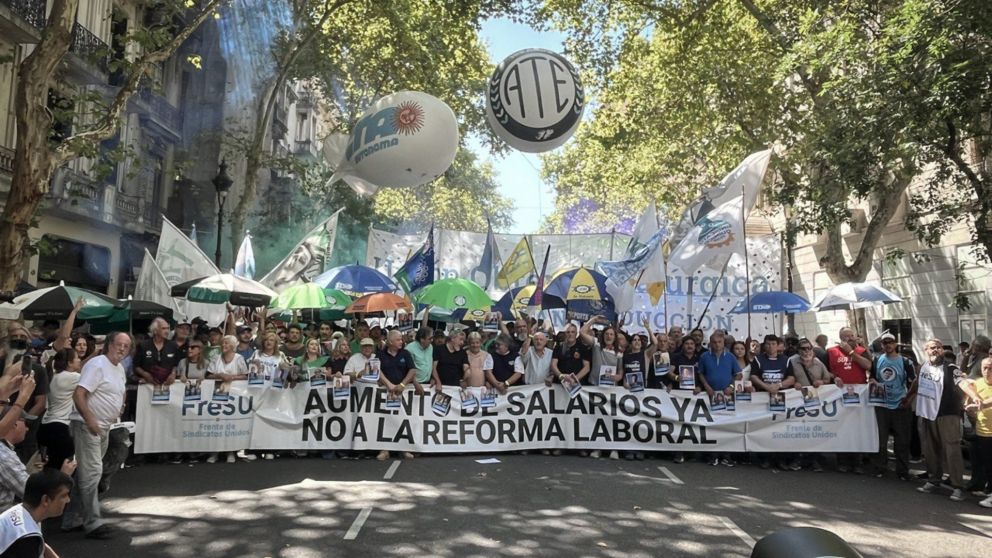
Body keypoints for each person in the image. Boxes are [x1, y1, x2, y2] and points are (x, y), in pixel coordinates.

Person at [61, 331, 130, 539]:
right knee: (91, 473)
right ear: (109, 344)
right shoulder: (98, 364)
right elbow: (79, 393)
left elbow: (121, 390)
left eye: (126, 346)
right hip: (87, 425)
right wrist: (90, 418)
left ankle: (72, 519)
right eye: (119, 344)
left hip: (103, 426)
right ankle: (92, 522)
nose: (122, 349)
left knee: (88, 473)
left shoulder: (118, 369)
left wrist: (120, 404)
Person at [916, 338, 968, 501]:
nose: (935, 350)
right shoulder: (923, 367)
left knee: (951, 449)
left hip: (947, 414)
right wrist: (907, 397)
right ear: (925, 350)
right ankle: (933, 480)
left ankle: (957, 486)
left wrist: (973, 398)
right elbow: (917, 384)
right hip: (927, 413)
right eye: (932, 348)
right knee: (930, 449)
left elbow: (963, 383)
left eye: (938, 347)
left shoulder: (951, 368)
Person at [870, 333, 916, 480]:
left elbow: (914, 383)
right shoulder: (877, 359)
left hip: (900, 405)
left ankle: (902, 471)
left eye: (891, 342)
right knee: (881, 441)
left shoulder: (905, 362)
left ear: (896, 344)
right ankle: (880, 468)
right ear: (882, 345)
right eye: (885, 342)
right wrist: (874, 383)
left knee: (902, 440)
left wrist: (909, 399)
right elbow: (871, 377)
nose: (888, 345)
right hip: (882, 405)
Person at [0, 469, 74, 558]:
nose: (68, 500)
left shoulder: (22, 512)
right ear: (45, 500)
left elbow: (43, 546)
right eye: (64, 495)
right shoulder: (27, 541)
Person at [749, 334, 797, 470]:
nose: (771, 347)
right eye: (768, 344)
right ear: (764, 345)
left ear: (778, 345)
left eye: (773, 344)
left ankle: (781, 459)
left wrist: (779, 385)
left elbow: (792, 378)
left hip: (780, 399)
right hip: (762, 399)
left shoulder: (786, 360)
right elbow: (753, 376)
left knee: (780, 430)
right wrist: (766, 387)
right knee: (764, 429)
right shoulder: (758, 360)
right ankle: (765, 458)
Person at [698, 331, 741, 468]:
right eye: (714, 342)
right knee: (712, 425)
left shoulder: (730, 356)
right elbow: (700, 373)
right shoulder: (704, 356)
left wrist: (731, 386)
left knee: (726, 425)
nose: (717, 345)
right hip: (710, 396)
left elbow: (738, 374)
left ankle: (726, 455)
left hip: (727, 396)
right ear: (710, 342)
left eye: (719, 342)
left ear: (724, 342)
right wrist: (706, 386)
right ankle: (713, 455)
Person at [205, 336, 249, 464]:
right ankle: (214, 452)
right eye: (223, 343)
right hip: (216, 395)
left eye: (227, 343)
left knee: (231, 423)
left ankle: (231, 451)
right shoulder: (216, 358)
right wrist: (220, 375)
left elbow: (245, 375)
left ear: (233, 346)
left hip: (234, 396)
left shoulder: (239, 359)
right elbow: (208, 374)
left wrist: (232, 377)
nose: (223, 345)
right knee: (216, 422)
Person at [376, 331, 417, 461]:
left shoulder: (405, 353)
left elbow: (412, 370)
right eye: (398, 340)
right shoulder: (380, 354)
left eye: (401, 339)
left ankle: (404, 449)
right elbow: (377, 369)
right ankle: (384, 449)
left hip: (403, 392)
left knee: (403, 420)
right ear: (390, 342)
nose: (401, 341)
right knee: (385, 421)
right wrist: (388, 384)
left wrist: (402, 384)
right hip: (385, 391)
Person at [38, 349, 81, 472]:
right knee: (64, 469)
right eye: (77, 358)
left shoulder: (53, 376)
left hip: (46, 425)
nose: (79, 360)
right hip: (60, 428)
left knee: (51, 466)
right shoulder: (73, 377)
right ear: (69, 362)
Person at [964, 357, 992, 508]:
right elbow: (964, 386)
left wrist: (978, 406)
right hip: (982, 431)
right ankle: (989, 490)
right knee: (987, 464)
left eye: (991, 368)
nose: (987, 371)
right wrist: (970, 402)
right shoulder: (977, 383)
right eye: (985, 368)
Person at [133, 318, 179, 387]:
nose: (167, 331)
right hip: (147, 386)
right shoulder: (143, 345)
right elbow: (136, 366)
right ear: (155, 330)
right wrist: (145, 374)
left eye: (168, 328)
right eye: (163, 328)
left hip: (167, 386)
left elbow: (176, 364)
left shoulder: (173, 345)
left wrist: (173, 373)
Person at [579, 316, 622, 389]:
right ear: (603, 335)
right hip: (594, 385)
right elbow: (582, 332)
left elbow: (620, 370)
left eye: (611, 334)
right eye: (606, 334)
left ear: (615, 337)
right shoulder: (596, 344)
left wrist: (618, 377)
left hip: (610, 387)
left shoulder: (619, 353)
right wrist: (594, 319)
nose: (609, 336)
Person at [405, 328, 434, 393]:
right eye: (430, 338)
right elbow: (407, 369)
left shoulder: (430, 347)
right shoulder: (409, 349)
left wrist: (433, 377)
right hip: (413, 385)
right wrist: (415, 383)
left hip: (428, 384)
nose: (432, 340)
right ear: (422, 339)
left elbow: (430, 363)